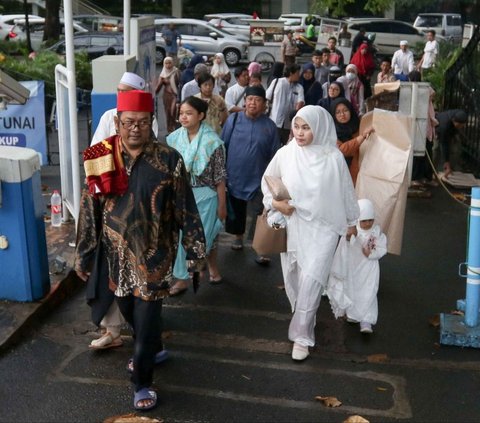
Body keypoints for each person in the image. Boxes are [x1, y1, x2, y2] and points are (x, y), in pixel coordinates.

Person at [75, 90, 206, 411]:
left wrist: (195, 251)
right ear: (117, 122)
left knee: (145, 319)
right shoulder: (100, 156)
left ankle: (142, 382)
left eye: (143, 123)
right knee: (129, 310)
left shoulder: (169, 159)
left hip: (155, 257)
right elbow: (89, 208)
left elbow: (184, 207)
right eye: (129, 122)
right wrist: (83, 253)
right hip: (116, 258)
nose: (135, 128)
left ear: (151, 123)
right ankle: (153, 346)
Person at [261, 105, 359, 361]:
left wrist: (351, 221)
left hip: (324, 228)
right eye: (297, 127)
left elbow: (347, 191)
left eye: (306, 128)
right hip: (294, 226)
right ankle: (306, 318)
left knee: (311, 280)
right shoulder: (285, 154)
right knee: (295, 278)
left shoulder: (333, 157)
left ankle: (302, 337)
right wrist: (275, 204)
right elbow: (268, 182)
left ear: (320, 128)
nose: (300, 133)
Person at [167, 96, 227, 292]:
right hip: (181, 196)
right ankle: (182, 278)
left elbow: (219, 177)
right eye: (181, 113)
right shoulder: (174, 139)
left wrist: (222, 205)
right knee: (180, 238)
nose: (183, 117)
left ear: (201, 115)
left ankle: (206, 270)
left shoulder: (213, 142)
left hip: (206, 198)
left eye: (189, 113)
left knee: (205, 238)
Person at [222, 85, 281, 261]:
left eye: (257, 100)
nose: (253, 103)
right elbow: (222, 146)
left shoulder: (270, 126)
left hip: (259, 179)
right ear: (245, 102)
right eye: (249, 99)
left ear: (264, 104)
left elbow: (275, 154)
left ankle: (260, 247)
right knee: (236, 210)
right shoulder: (233, 120)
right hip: (235, 175)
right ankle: (237, 237)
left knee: (261, 213)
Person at [328, 198, 387, 334]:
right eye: (364, 221)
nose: (367, 224)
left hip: (369, 269)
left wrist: (372, 254)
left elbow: (382, 248)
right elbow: (345, 247)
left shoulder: (376, 233)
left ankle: (366, 321)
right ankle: (353, 314)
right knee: (352, 290)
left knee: (369, 292)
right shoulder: (352, 231)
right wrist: (350, 239)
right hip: (353, 268)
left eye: (370, 220)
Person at [91, 72, 158, 146]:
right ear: (116, 122)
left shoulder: (149, 118)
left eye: (124, 91)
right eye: (118, 90)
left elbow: (151, 145)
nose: (119, 94)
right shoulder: (108, 115)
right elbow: (96, 146)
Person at [331, 97, 374, 185]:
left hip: (363, 171)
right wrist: (362, 137)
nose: (342, 114)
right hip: (342, 175)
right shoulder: (331, 132)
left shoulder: (360, 125)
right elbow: (342, 150)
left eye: (345, 110)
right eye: (338, 112)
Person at [266, 63, 305, 145]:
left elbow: (300, 102)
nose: (299, 75)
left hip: (288, 125)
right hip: (274, 122)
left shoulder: (299, 87)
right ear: (291, 73)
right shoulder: (277, 82)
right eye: (297, 73)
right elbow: (267, 97)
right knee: (272, 145)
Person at [435, 109, 468, 179]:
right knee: (436, 149)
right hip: (438, 131)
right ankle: (435, 172)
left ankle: (450, 169)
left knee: (456, 149)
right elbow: (444, 144)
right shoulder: (444, 125)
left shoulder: (461, 115)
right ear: (454, 121)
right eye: (459, 125)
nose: (461, 127)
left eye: (462, 125)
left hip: (451, 131)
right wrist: (446, 161)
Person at [156, 56, 180, 133]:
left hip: (175, 95)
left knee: (174, 112)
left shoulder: (176, 72)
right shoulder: (163, 74)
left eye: (170, 63)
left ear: (172, 63)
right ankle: (169, 130)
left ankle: (175, 128)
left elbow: (180, 84)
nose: (168, 65)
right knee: (168, 113)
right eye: (166, 63)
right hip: (167, 96)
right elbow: (158, 86)